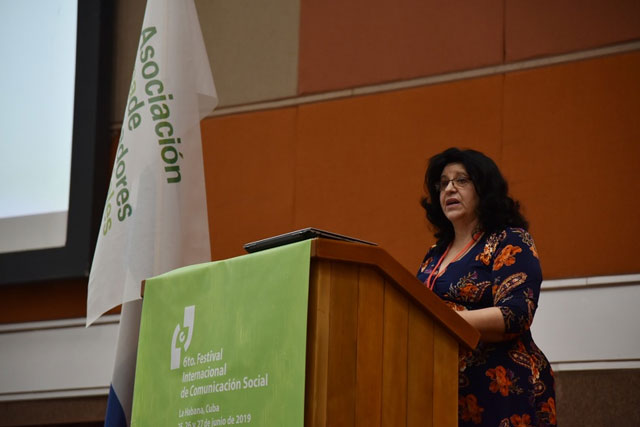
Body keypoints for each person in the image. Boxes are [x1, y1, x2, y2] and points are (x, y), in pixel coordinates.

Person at [416, 147, 556, 426]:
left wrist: (442, 320)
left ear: (484, 188)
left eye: (461, 180)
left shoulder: (508, 240)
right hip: (444, 389)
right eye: (443, 183)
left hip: (502, 389)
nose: (449, 189)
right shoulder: (435, 254)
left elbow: (516, 313)